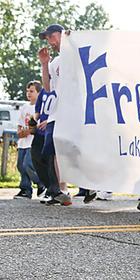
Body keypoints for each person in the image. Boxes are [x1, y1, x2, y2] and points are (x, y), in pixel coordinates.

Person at [37, 24, 71, 206]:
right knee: (51, 151)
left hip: (73, 111)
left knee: (68, 150)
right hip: (57, 113)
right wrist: (44, 64)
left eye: (51, 36)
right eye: (47, 37)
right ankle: (59, 190)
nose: (49, 41)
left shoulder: (73, 54)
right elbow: (48, 87)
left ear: (61, 34)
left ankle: (88, 186)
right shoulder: (55, 62)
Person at [13, 81, 45, 199]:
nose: (28, 93)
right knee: (21, 166)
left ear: (38, 92)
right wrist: (20, 132)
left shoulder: (39, 108)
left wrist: (28, 131)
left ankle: (42, 184)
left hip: (32, 142)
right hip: (23, 143)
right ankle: (25, 190)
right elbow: (20, 124)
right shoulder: (24, 107)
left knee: (28, 165)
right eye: (27, 91)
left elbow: (35, 127)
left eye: (31, 91)